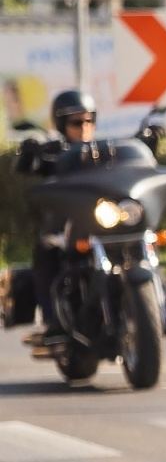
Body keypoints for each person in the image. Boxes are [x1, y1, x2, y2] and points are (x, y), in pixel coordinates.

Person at [11, 90, 98, 336]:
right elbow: (27, 167)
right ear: (61, 124)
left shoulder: (104, 153)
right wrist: (30, 153)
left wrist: (148, 142)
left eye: (89, 120)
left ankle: (160, 307)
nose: (85, 127)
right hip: (64, 229)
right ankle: (53, 320)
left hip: (101, 227)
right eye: (76, 122)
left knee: (141, 242)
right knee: (47, 249)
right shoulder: (55, 154)